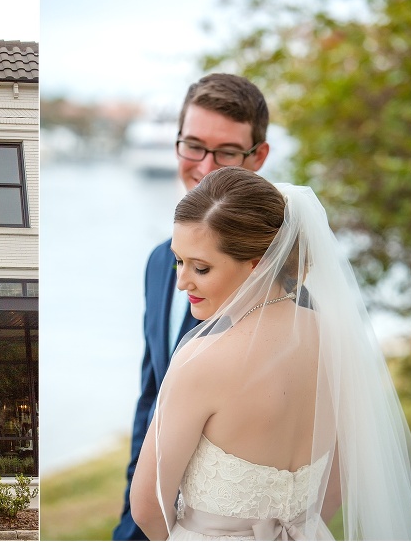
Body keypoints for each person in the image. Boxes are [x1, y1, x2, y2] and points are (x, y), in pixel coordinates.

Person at [130, 167, 411, 540]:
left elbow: (147, 505)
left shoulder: (201, 361)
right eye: (178, 261)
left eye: (200, 267)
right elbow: (341, 476)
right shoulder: (336, 339)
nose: (183, 281)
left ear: (258, 264)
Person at [114, 73, 271, 540]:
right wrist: (129, 525)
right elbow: (150, 400)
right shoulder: (160, 263)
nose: (206, 167)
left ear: (258, 156)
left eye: (225, 152)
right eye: (193, 146)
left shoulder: (284, 283)